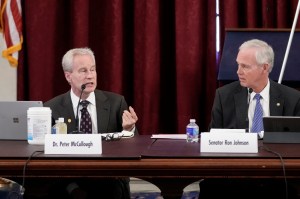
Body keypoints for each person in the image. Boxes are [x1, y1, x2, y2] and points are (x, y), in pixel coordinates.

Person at [200, 39, 300, 199]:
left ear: (264, 68)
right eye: (238, 65)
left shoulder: (292, 98)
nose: (238, 71)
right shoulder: (223, 95)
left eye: (245, 66)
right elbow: (213, 137)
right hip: (234, 174)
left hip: (277, 175)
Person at [44, 47, 138, 199]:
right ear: (68, 76)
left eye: (92, 70)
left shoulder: (116, 103)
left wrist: (129, 129)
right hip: (67, 180)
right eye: (83, 71)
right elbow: (46, 153)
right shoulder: (51, 108)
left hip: (107, 178)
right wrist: (72, 187)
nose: (90, 76)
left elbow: (134, 148)